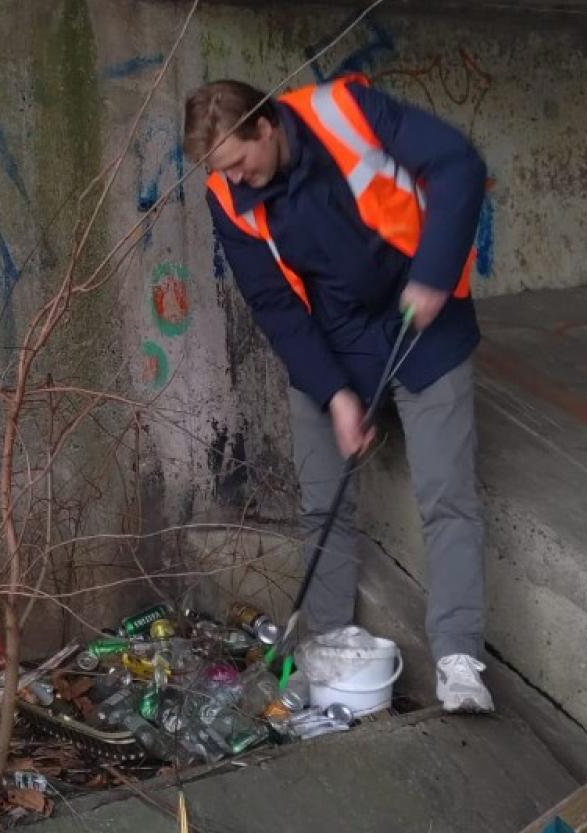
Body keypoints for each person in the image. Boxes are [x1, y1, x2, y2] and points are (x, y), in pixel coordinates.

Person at [182, 75, 493, 714]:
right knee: (323, 501)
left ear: (265, 127)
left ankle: (459, 659)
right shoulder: (224, 192)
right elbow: (272, 302)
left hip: (422, 322)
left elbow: (459, 163)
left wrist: (434, 275)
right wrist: (336, 395)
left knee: (447, 497)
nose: (235, 181)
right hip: (333, 338)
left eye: (240, 163)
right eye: (224, 172)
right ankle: (328, 644)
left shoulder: (346, 113)